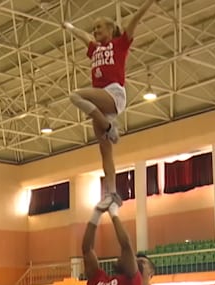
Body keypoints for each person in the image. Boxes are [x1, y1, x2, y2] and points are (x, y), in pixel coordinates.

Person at [62, 1, 156, 205]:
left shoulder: (120, 43)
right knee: (105, 152)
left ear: (110, 29)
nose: (95, 31)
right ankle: (111, 194)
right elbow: (84, 37)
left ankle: (108, 126)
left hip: (113, 94)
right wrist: (70, 28)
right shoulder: (94, 49)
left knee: (75, 96)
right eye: (94, 28)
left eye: (99, 27)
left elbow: (135, 19)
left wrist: (149, 3)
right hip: (100, 100)